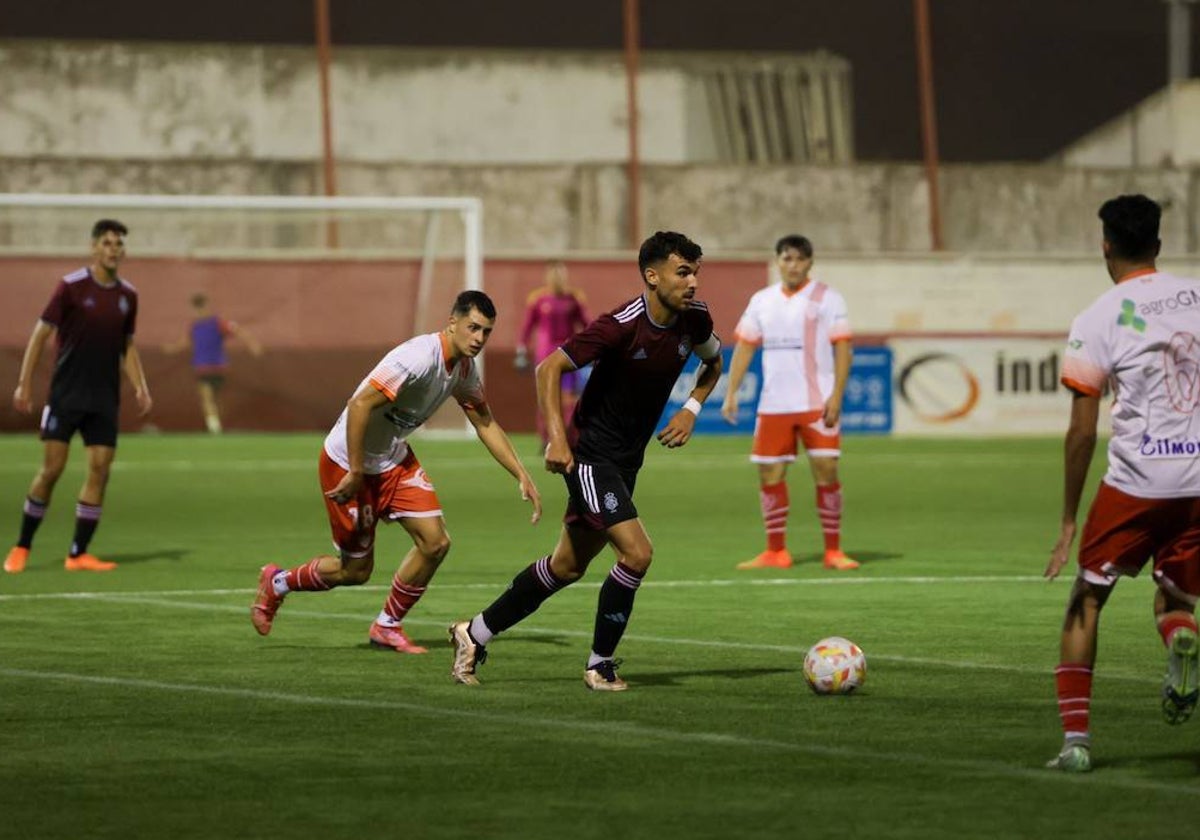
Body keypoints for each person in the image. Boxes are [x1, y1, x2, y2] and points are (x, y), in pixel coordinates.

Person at [448, 231, 723, 690]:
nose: (693, 281)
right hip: (591, 456)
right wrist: (558, 440)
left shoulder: (695, 319)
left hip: (626, 460)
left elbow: (713, 363)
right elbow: (548, 367)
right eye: (683, 272)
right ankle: (600, 663)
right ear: (652, 276)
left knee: (566, 567)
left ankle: (472, 634)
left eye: (695, 271)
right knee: (637, 553)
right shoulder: (621, 324)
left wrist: (691, 409)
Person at [250, 290, 541, 653]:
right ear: (452, 323)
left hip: (393, 459)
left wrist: (520, 473)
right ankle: (277, 583)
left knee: (435, 543)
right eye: (473, 328)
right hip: (346, 461)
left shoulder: (464, 369)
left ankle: (387, 625)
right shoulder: (417, 359)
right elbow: (358, 406)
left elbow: (484, 423)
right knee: (354, 572)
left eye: (486, 332)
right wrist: (356, 471)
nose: (479, 339)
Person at [1045, 194, 1200, 773]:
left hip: (1138, 482)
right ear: (1158, 244)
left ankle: (1077, 743)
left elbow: (1082, 432)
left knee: (1086, 599)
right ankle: (1181, 638)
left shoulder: (1098, 317)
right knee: (1176, 595)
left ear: (1105, 245)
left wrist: (1067, 518)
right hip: (1198, 481)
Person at [4, 219, 153, 574]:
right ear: (94, 247)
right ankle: (22, 546)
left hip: (104, 398)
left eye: (119, 244)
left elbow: (127, 346)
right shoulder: (71, 288)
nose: (113, 249)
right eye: (107, 243)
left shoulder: (127, 296)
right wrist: (24, 383)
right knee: (52, 469)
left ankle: (78, 553)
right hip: (66, 394)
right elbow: (40, 336)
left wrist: (140, 384)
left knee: (100, 470)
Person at [719, 234, 858, 571]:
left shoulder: (828, 298)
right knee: (769, 474)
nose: (792, 265)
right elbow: (745, 346)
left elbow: (842, 348)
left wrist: (837, 395)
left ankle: (833, 550)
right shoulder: (761, 300)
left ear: (809, 262)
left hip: (817, 401)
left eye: (799, 259)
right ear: (777, 261)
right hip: (774, 404)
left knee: (826, 471)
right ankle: (775, 551)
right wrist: (731, 391)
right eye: (786, 258)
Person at [164, 292, 263, 434]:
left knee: (215, 400)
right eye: (197, 308)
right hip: (201, 367)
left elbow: (238, 331)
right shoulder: (195, 327)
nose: (200, 310)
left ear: (207, 306)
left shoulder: (217, 323)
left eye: (202, 307)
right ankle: (214, 428)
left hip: (218, 366)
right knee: (206, 396)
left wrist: (253, 344)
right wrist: (171, 348)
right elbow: (185, 342)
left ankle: (216, 424)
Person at [515, 260, 590, 446]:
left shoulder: (574, 298)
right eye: (553, 273)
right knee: (546, 396)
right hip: (545, 354)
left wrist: (594, 347)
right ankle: (545, 437)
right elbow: (527, 326)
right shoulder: (538, 299)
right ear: (547, 276)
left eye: (560, 273)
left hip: (568, 353)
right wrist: (521, 349)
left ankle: (569, 436)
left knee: (568, 398)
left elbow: (587, 323)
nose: (557, 278)